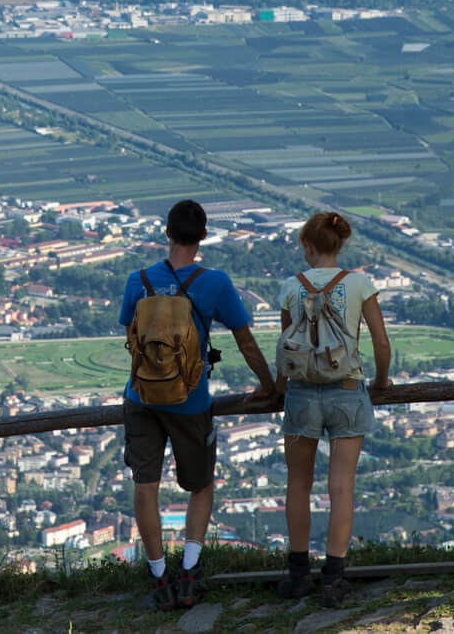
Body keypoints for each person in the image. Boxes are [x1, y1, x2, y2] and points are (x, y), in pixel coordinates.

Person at [118, 198, 277, 611]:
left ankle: (158, 577)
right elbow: (245, 339)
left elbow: (129, 333)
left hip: (141, 398)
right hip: (190, 401)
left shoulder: (139, 280)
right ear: (203, 236)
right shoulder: (215, 282)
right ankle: (189, 572)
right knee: (201, 484)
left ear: (166, 233)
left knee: (145, 486)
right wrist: (269, 386)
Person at [274, 211, 392, 605]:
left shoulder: (292, 287)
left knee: (298, 484)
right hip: (347, 390)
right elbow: (380, 343)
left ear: (307, 247)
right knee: (341, 487)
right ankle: (334, 576)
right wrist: (380, 381)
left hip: (302, 393)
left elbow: (286, 350)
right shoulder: (359, 283)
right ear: (340, 245)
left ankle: (296, 573)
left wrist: (278, 391)